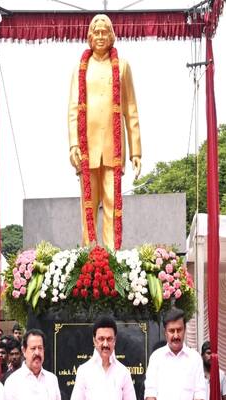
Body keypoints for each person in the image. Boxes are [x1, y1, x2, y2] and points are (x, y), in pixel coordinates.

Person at [68, 14, 141, 250]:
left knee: (112, 204)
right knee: (88, 205)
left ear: (111, 36)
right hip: (87, 147)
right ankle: (89, 258)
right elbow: (72, 109)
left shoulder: (123, 67)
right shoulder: (80, 68)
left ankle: (112, 259)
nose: (100, 36)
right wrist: (73, 145)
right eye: (96, 32)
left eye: (104, 32)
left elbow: (131, 110)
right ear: (90, 36)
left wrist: (136, 152)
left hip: (113, 147)